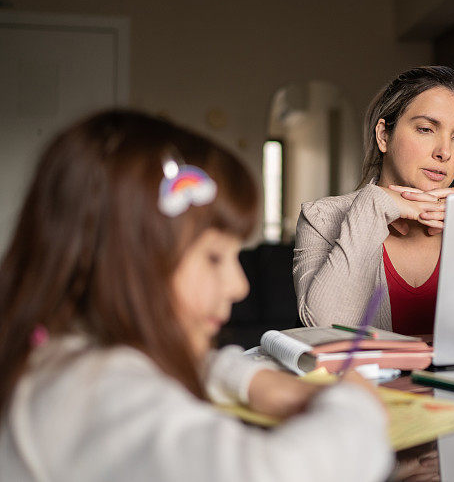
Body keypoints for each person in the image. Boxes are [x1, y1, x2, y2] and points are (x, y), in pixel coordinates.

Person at [0, 110, 392, 482]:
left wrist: (252, 382)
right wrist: (356, 407)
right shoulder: (94, 393)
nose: (239, 285)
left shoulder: (63, 356)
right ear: (127, 262)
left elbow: (179, 362)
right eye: (213, 257)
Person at [294, 66, 454, 334]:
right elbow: (324, 330)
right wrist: (373, 205)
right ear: (384, 135)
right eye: (425, 129)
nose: (445, 152)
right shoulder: (321, 218)